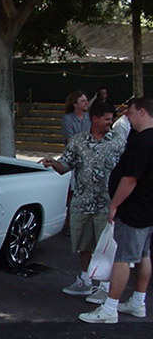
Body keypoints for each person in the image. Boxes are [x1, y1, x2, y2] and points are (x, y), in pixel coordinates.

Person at [40, 101, 127, 299]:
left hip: (107, 204)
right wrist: (52, 163)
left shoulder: (119, 141)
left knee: (105, 247)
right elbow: (65, 166)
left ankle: (104, 287)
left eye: (111, 119)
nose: (110, 123)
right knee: (83, 245)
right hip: (82, 203)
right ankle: (85, 280)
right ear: (95, 118)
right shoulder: (78, 141)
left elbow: (127, 172)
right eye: (107, 119)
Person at [79, 97, 153, 323]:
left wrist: (114, 205)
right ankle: (138, 301)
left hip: (135, 208)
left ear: (142, 112)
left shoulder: (142, 141)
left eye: (131, 112)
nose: (127, 117)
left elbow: (130, 179)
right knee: (143, 255)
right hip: (147, 207)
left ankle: (110, 308)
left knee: (123, 258)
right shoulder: (142, 138)